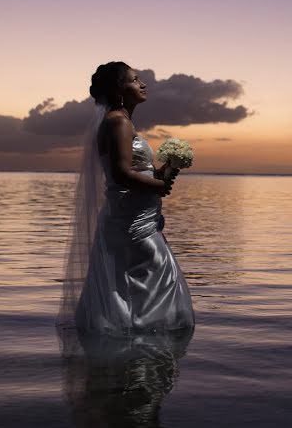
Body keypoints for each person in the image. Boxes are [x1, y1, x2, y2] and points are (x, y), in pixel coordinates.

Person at [57, 61, 195, 336]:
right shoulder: (118, 121)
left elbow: (136, 170)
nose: (143, 84)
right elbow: (120, 174)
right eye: (134, 80)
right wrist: (158, 186)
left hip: (136, 215)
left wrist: (166, 169)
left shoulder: (121, 121)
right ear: (119, 90)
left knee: (137, 277)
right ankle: (144, 347)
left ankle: (134, 351)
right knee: (158, 273)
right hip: (131, 221)